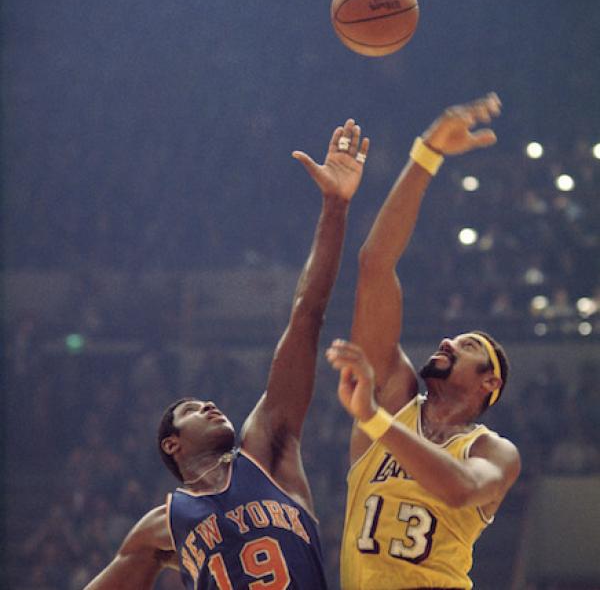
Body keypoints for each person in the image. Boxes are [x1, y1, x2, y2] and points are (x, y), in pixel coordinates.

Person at [84, 118, 370, 590]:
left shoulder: (269, 450)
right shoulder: (161, 527)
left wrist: (336, 206)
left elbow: (306, 316)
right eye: (192, 410)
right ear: (171, 444)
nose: (209, 405)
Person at [325, 93, 521, 590]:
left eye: (469, 346)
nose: (450, 342)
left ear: (489, 383)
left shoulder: (494, 452)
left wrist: (372, 417)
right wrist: (427, 153)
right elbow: (376, 264)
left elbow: (458, 490)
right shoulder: (393, 392)